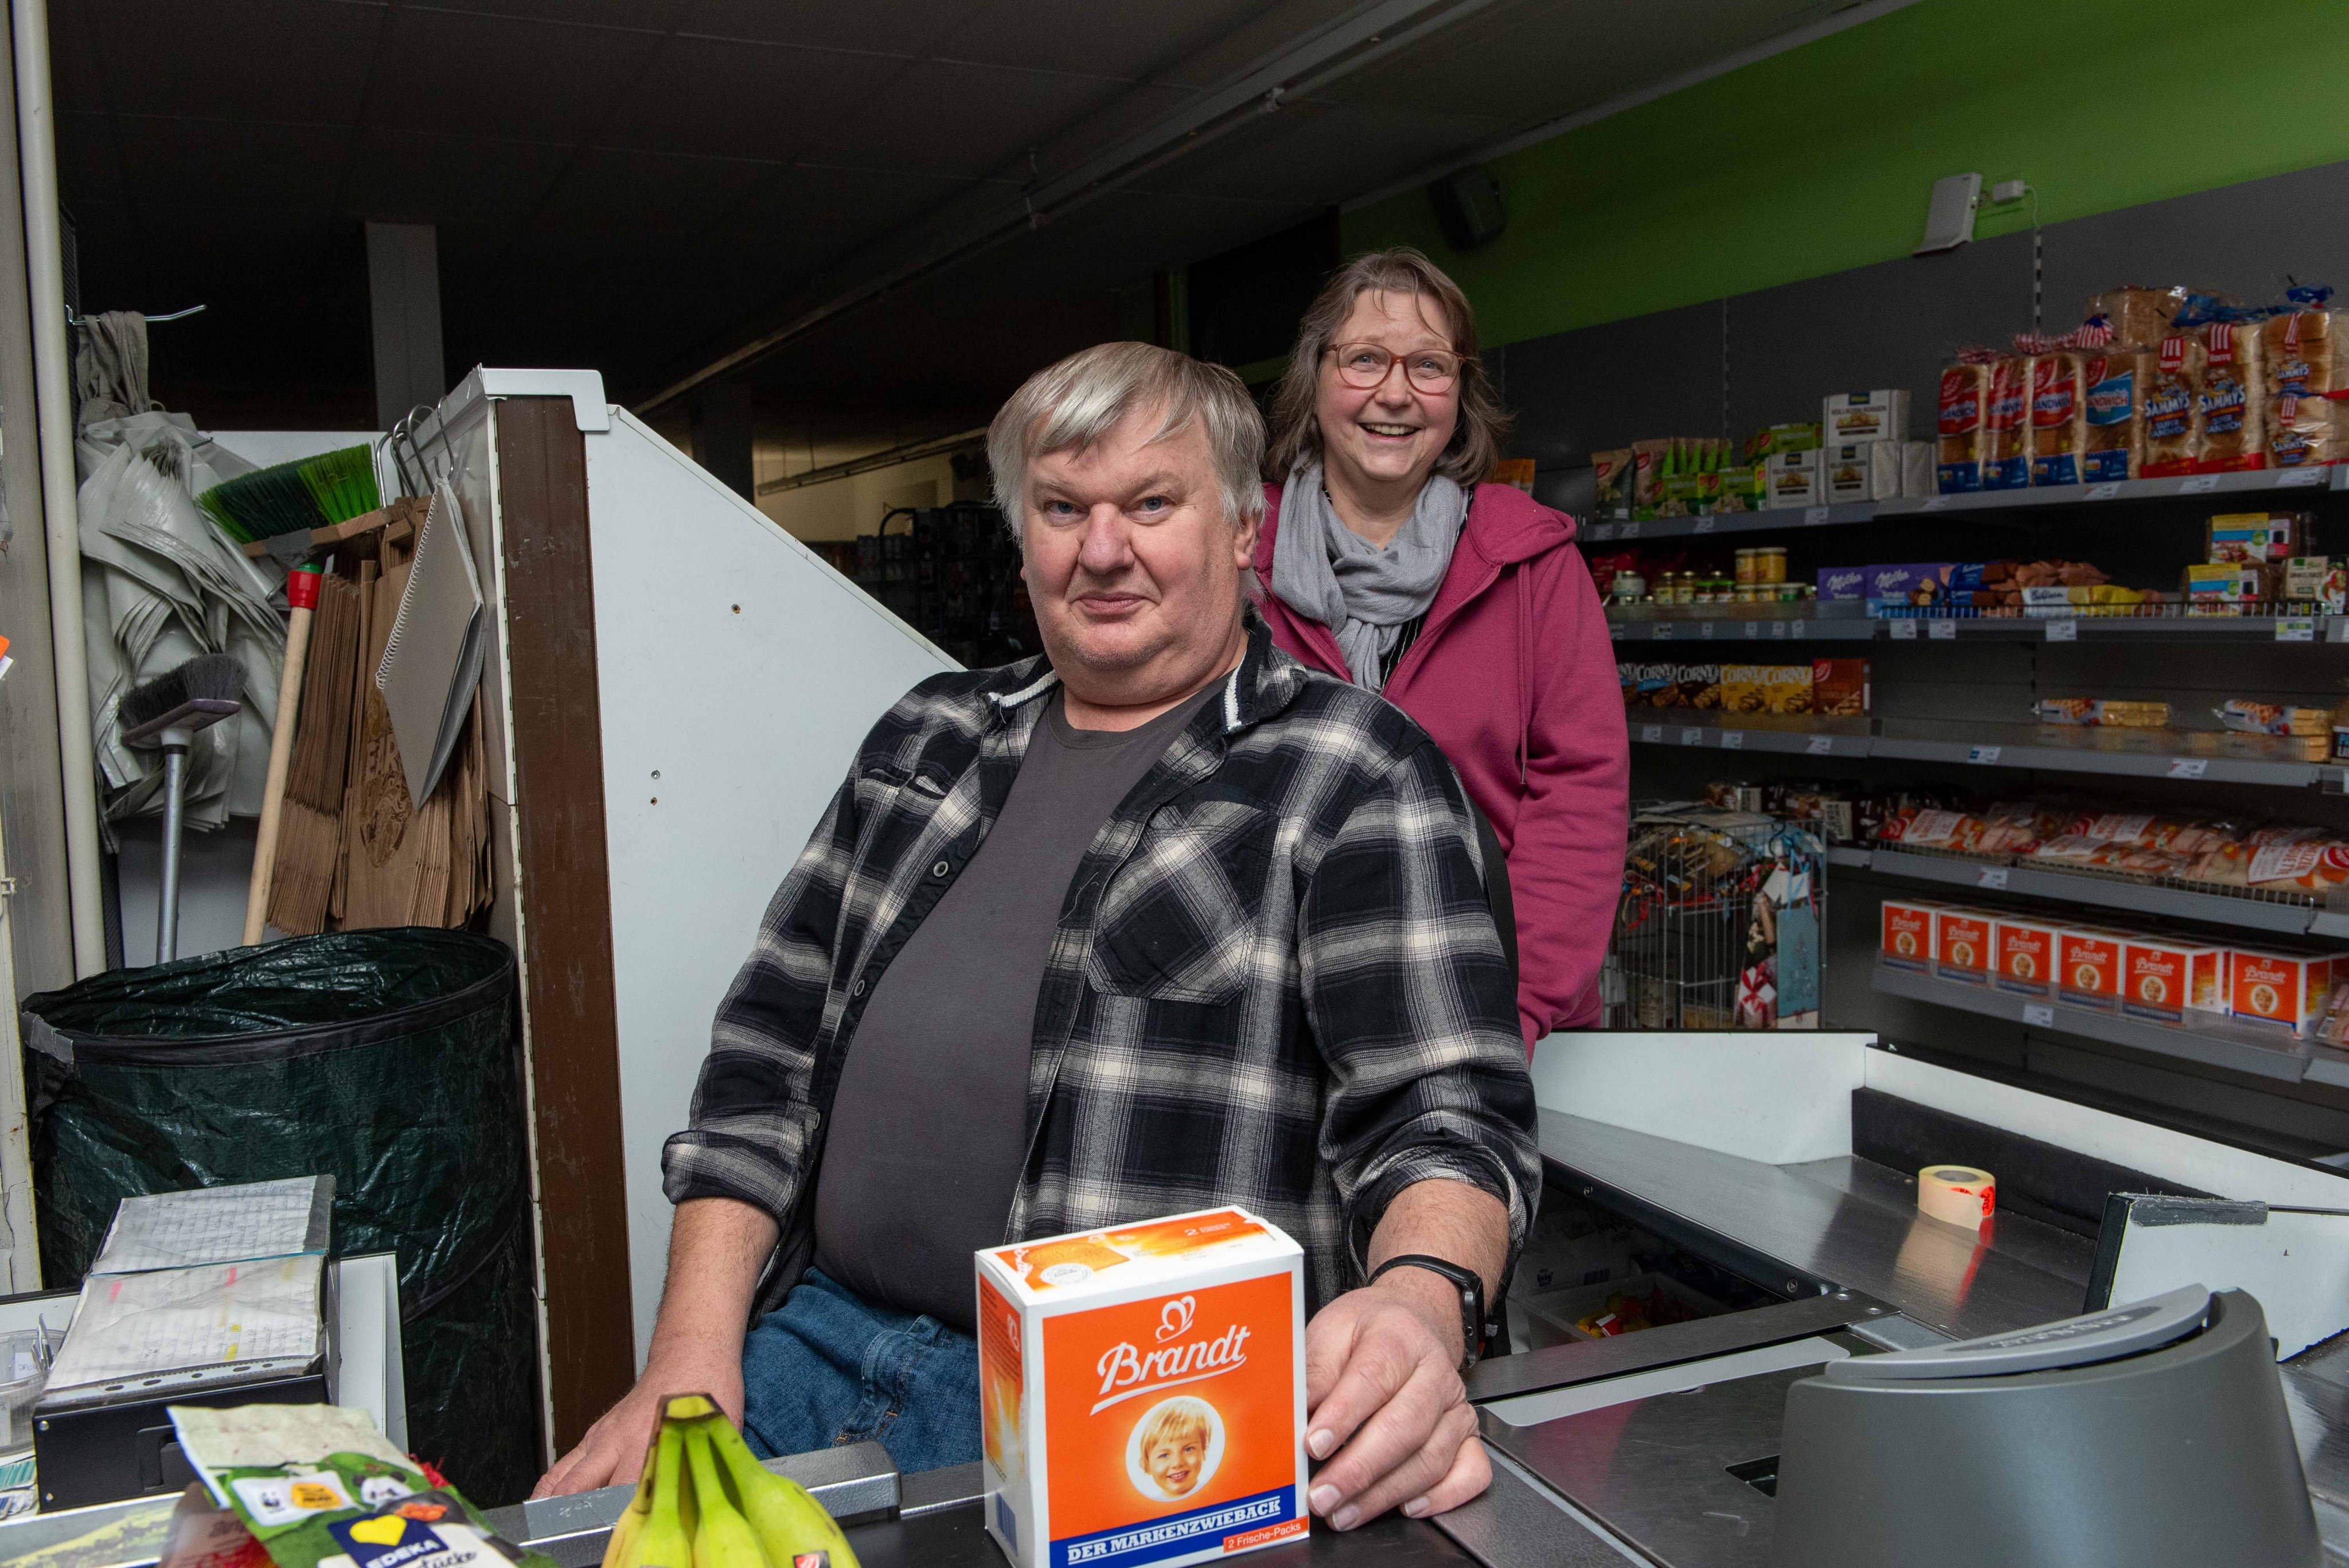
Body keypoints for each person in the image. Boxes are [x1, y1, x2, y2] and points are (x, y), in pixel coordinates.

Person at [535, 342, 1540, 1535]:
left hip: (1132, 1420)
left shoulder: (1348, 771)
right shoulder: (926, 737)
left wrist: (1422, 1303)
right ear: (1025, 543)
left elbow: (1445, 1112)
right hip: (808, 1347)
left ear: (1238, 530)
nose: (1101, 549)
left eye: (1150, 504)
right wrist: (688, 1367)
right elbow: (764, 1053)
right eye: (1064, 508)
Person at [1257, 247, 1628, 1046]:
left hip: (1489, 988)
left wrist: (1508, 1008)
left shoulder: (1530, 558)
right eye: (1364, 359)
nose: (1395, 392)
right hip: (1272, 1000)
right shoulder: (1231, 556)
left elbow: (1582, 793)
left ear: (1460, 393)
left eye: (1429, 365)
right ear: (1313, 377)